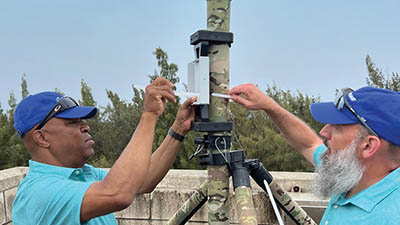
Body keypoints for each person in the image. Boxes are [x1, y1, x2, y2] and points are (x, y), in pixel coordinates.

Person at [12, 77, 197, 225]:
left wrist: (179, 128)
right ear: (42, 138)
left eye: (82, 122)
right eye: (72, 123)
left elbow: (142, 180)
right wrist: (149, 115)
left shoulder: (85, 174)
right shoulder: (39, 192)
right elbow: (118, 194)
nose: (85, 128)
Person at [228, 84, 400, 225]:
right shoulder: (353, 173)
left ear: (368, 145)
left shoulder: (389, 216)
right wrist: (269, 106)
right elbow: (309, 144)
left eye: (337, 127)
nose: (324, 132)